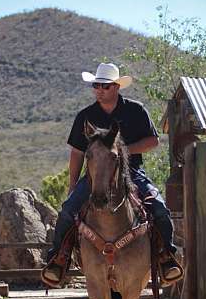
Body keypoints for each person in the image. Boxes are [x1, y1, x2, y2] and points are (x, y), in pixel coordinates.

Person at [42, 63, 183, 287]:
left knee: (159, 208)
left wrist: (123, 151)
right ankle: (59, 259)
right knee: (68, 210)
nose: (99, 90)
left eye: (105, 86)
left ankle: (166, 258)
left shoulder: (135, 110)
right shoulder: (85, 116)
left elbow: (152, 141)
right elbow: (77, 153)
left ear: (116, 87)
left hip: (132, 172)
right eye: (96, 85)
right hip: (94, 176)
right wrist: (72, 185)